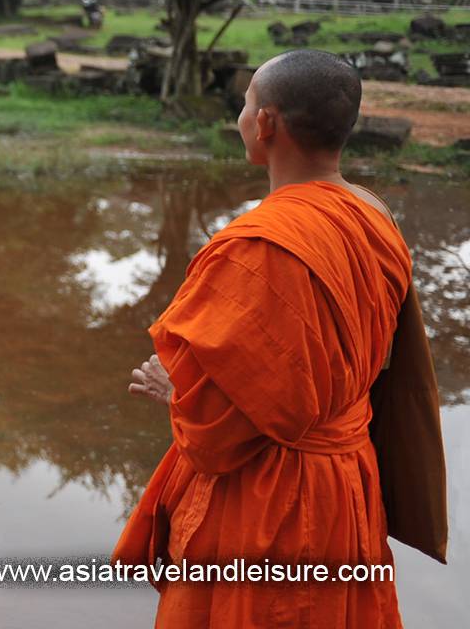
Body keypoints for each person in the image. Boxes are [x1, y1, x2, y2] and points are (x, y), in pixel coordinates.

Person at [116, 48, 447, 627]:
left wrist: (178, 393)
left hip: (269, 502)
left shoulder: (256, 247)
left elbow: (226, 429)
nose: (242, 116)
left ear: (264, 123)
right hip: (348, 483)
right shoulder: (376, 217)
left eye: (245, 104)